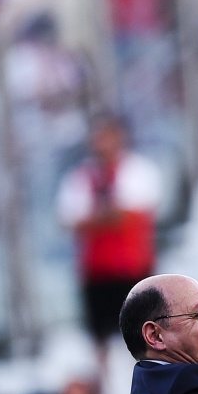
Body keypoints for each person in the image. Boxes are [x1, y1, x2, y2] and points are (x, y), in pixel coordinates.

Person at [56, 117, 163, 357]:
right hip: (96, 271)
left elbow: (127, 216)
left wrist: (96, 220)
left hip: (133, 268)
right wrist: (105, 219)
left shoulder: (139, 170)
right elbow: (69, 219)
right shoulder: (80, 177)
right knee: (99, 337)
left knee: (142, 334)